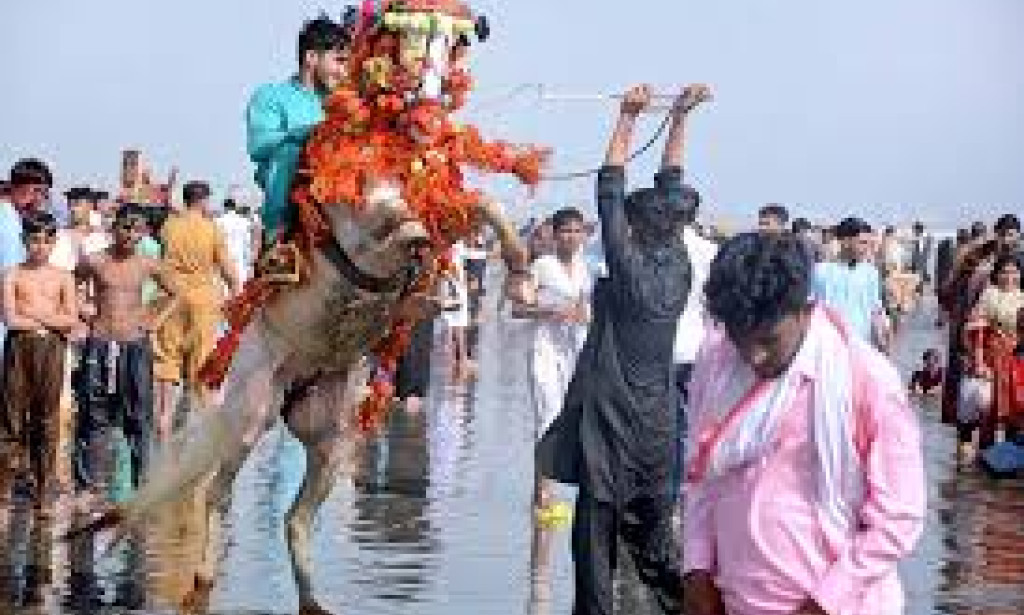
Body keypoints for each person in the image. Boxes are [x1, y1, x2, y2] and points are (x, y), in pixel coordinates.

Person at [682, 232, 926, 615]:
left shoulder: (866, 380)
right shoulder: (717, 362)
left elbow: (898, 519)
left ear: (805, 310)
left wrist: (824, 603)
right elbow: (700, 473)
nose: (754, 356)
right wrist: (696, 569)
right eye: (740, 338)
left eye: (769, 339)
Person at [537, 83, 710, 615]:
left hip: (612, 414)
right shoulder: (680, 264)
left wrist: (627, 118)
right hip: (658, 417)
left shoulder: (629, 267)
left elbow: (609, 187)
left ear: (634, 228)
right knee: (655, 541)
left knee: (595, 529)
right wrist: (680, 117)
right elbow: (668, 184)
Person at [512, 206, 592, 607]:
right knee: (547, 422)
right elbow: (517, 307)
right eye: (565, 231)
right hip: (544, 350)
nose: (571, 237)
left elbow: (592, 310)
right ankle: (545, 504)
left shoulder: (587, 267)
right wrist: (551, 310)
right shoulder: (540, 266)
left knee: (572, 425)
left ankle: (547, 496)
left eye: (577, 231)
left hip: (575, 353)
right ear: (554, 233)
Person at [76, 205, 177, 491]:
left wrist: (155, 320)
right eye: (126, 228)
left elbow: (176, 293)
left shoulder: (147, 263)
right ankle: (89, 485)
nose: (131, 235)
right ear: (114, 227)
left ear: (144, 232)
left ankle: (141, 482)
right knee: (93, 411)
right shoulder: (96, 260)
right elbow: (72, 284)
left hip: (134, 343)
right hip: (100, 340)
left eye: (138, 230)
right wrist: (84, 313)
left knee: (138, 412)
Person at [247, 15, 350, 243]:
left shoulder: (345, 103)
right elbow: (259, 146)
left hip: (340, 202)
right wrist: (308, 133)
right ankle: (276, 237)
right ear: (311, 57)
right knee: (290, 152)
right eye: (339, 61)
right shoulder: (271, 96)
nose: (344, 71)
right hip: (293, 205)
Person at [1, 212, 79, 505]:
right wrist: (49, 320)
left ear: (54, 242)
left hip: (52, 349)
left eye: (47, 240)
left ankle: (44, 488)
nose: (40, 246)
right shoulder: (12, 274)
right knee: (11, 418)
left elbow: (70, 320)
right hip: (19, 347)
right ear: (24, 241)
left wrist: (33, 315)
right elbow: (10, 319)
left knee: (47, 419)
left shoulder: (63, 277)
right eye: (34, 239)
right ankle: (4, 488)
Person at [151, 181, 239, 441]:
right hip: (203, 302)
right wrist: (236, 300)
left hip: (170, 300)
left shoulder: (169, 227)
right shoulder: (211, 229)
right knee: (202, 368)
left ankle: (163, 425)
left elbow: (161, 264)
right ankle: (199, 440)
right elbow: (228, 271)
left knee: (166, 362)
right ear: (204, 201)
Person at [963, 255, 1024, 452]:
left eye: (1014, 272)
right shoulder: (989, 295)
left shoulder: (1022, 297)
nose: (1009, 277)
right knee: (990, 408)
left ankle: (1010, 454)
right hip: (992, 358)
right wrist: (979, 362)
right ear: (997, 274)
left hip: (1017, 360)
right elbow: (977, 331)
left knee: (1015, 408)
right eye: (1004, 272)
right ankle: (986, 452)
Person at [812, 217, 890, 352]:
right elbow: (809, 309)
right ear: (845, 242)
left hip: (861, 345)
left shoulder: (871, 273)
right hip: (828, 346)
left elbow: (875, 311)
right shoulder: (820, 271)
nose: (866, 249)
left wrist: (883, 346)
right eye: (862, 243)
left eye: (869, 244)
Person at [1, 159, 53, 353]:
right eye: (36, 191)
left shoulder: (16, 217)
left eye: (44, 193)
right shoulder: (7, 220)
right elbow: (11, 276)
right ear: (16, 186)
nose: (39, 199)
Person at [215, 197, 258, 284]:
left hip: (225, 261)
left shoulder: (217, 222)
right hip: (240, 261)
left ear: (224, 207)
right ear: (234, 207)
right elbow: (247, 243)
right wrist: (250, 263)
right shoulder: (243, 222)